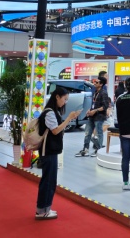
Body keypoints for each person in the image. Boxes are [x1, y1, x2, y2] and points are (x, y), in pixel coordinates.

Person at [36, 87, 81, 219]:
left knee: (50, 180)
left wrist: (69, 119)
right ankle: (42, 211)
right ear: (57, 97)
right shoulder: (50, 112)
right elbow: (55, 130)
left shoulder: (53, 112)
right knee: (48, 181)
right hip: (48, 150)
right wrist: (69, 119)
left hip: (51, 150)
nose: (65, 102)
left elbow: (57, 129)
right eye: (64, 99)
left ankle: (45, 208)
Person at [76, 76, 109, 157]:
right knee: (88, 133)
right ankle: (85, 149)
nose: (94, 83)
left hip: (99, 117)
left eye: (97, 82)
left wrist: (95, 111)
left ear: (101, 84)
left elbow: (105, 106)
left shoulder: (104, 93)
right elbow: (94, 104)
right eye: (94, 81)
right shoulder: (95, 92)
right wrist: (89, 110)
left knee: (99, 133)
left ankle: (98, 150)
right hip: (92, 116)